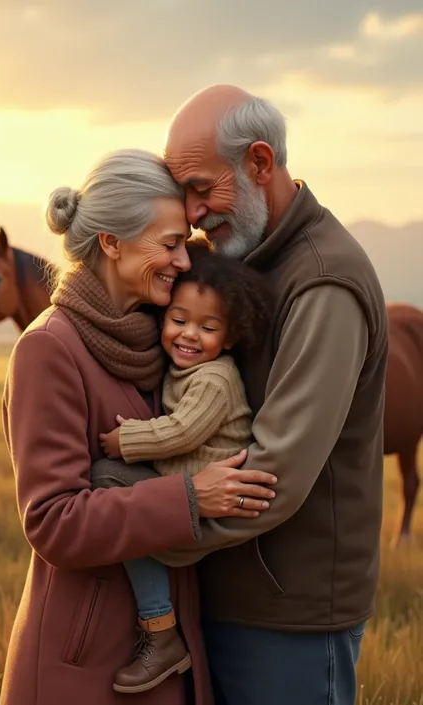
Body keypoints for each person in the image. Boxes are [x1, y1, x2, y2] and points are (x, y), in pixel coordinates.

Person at [0, 148, 278, 705]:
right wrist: (189, 498)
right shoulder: (48, 349)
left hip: (163, 659)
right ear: (111, 242)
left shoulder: (159, 339)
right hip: (83, 670)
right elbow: (54, 521)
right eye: (170, 244)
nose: (182, 262)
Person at [153, 85, 389, 705]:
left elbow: (272, 476)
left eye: (204, 188)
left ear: (260, 163)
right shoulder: (241, 255)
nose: (193, 213)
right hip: (229, 594)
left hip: (290, 619)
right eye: (185, 194)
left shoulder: (323, 282)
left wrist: (135, 523)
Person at [99, 241, 271, 694]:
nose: (189, 335)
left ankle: (161, 632)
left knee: (109, 482)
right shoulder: (186, 370)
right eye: (178, 321)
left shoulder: (214, 379)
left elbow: (182, 432)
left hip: (204, 501)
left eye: (208, 327)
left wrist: (125, 440)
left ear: (230, 337)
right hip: (187, 491)